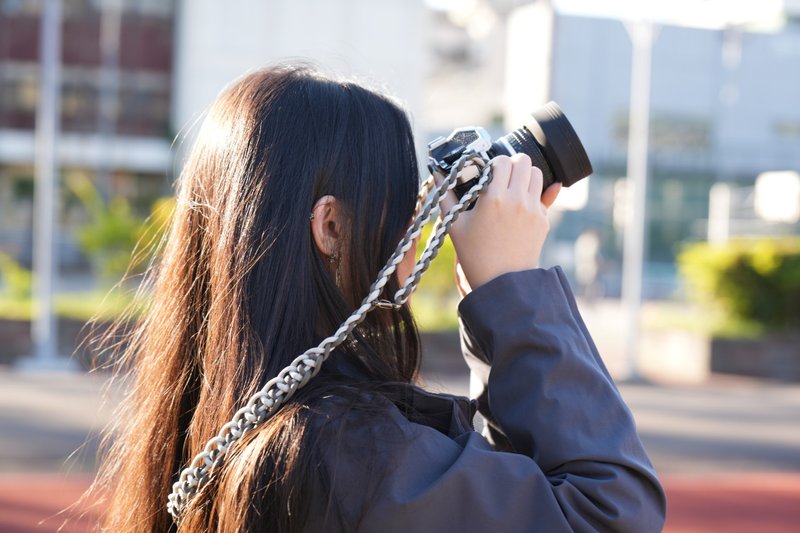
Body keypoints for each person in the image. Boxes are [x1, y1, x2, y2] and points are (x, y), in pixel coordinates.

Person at [90, 64, 665, 532]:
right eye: (401, 198)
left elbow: (506, 492)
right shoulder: (345, 452)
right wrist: (511, 290)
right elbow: (611, 515)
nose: (417, 219)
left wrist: (494, 311)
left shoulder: (229, 419)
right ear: (332, 228)